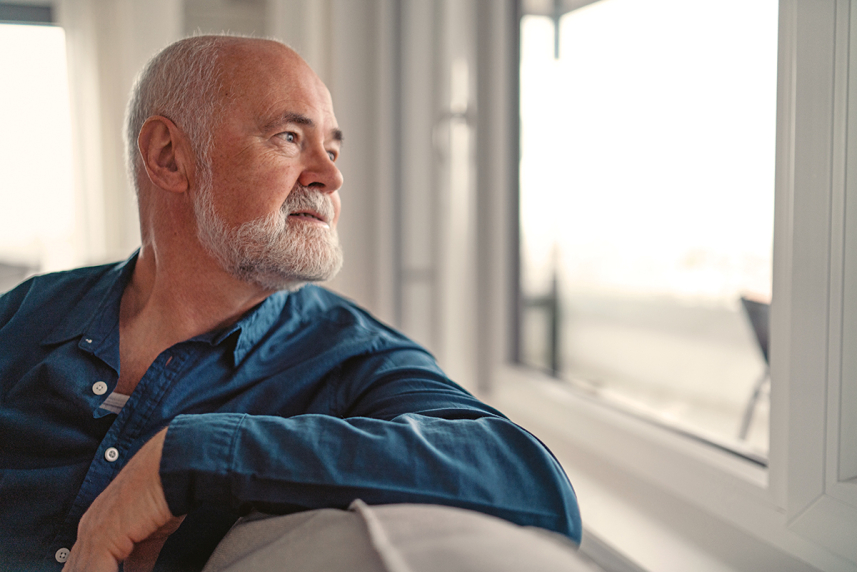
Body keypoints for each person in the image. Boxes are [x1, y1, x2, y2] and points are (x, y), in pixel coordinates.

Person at [0, 35, 581, 572]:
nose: (331, 175)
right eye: (290, 138)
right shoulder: (26, 314)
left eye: (332, 147)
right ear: (170, 157)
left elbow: (530, 482)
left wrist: (188, 458)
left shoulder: (349, 357)